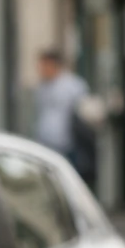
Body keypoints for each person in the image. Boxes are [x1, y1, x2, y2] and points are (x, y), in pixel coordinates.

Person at [35, 49, 96, 185]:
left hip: (68, 146)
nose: (41, 69)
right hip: (46, 144)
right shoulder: (42, 87)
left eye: (44, 65)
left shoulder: (73, 85)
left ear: (53, 64)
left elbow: (86, 112)